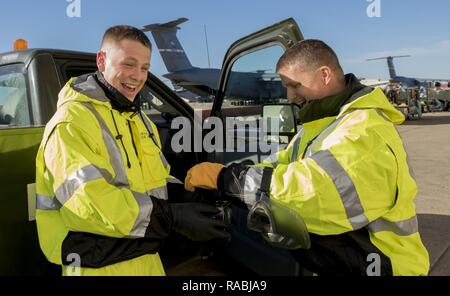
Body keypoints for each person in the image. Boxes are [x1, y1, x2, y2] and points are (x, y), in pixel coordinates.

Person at [184, 39, 429, 276]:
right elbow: (281, 163)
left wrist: (226, 179)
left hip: (385, 267)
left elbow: (309, 193)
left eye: (294, 85)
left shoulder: (363, 132)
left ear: (324, 75)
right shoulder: (321, 126)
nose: (289, 96)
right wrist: (231, 171)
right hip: (347, 262)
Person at [35, 25, 229, 276]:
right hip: (98, 266)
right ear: (102, 60)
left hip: (146, 258)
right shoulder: (71, 123)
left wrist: (185, 195)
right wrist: (173, 217)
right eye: (129, 64)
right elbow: (90, 207)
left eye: (145, 68)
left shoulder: (140, 120)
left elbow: (154, 180)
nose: (138, 76)